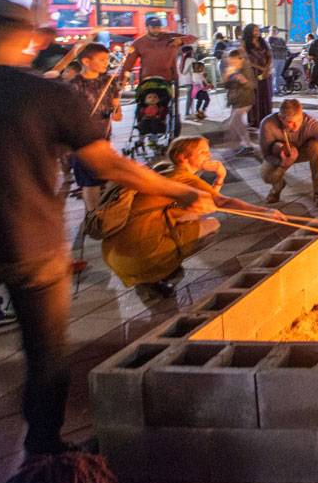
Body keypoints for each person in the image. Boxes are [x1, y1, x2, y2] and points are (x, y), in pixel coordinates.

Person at [0, 0, 213, 483]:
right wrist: (178, 189)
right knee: (47, 356)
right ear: (28, 39)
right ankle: (45, 456)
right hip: (36, 247)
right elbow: (109, 164)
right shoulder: (46, 94)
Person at [101, 135, 250, 296]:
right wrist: (221, 177)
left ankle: (157, 269)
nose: (209, 155)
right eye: (203, 152)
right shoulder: (181, 179)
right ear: (183, 157)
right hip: (136, 256)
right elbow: (215, 204)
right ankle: (161, 271)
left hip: (114, 253)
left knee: (192, 214)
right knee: (211, 225)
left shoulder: (164, 169)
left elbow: (204, 202)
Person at [68, 43, 123, 218]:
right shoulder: (75, 85)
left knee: (107, 180)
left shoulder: (109, 81)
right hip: (83, 142)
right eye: (102, 60)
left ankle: (103, 214)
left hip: (104, 139)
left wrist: (115, 112)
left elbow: (117, 113)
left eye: (107, 59)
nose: (106, 63)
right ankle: (93, 217)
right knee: (90, 183)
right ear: (86, 61)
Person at [120, 16, 197, 116]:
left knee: (169, 105)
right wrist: (122, 82)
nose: (156, 30)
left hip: (169, 78)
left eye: (158, 27)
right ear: (147, 27)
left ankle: (171, 121)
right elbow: (128, 65)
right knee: (146, 105)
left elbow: (193, 38)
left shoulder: (170, 37)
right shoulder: (138, 43)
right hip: (148, 81)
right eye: (153, 27)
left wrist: (181, 41)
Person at [222, 48, 257, 157]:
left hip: (245, 100)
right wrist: (226, 78)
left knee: (234, 122)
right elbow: (226, 86)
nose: (232, 63)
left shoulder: (246, 69)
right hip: (235, 100)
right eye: (231, 60)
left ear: (240, 59)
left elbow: (253, 85)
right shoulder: (231, 69)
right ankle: (247, 145)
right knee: (237, 123)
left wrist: (244, 81)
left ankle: (247, 145)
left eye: (234, 60)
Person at [240, 23, 274, 127]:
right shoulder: (244, 44)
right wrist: (260, 68)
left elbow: (269, 55)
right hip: (252, 72)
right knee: (254, 96)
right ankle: (254, 119)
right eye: (255, 30)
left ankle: (267, 117)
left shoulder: (262, 42)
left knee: (266, 94)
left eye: (258, 30)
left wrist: (267, 68)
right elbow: (243, 60)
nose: (257, 32)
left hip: (265, 72)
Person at [266, 26, 290, 95]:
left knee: (278, 74)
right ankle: (273, 90)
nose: (274, 32)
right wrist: (280, 47)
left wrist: (282, 50)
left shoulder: (280, 39)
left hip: (282, 58)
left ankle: (278, 89)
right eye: (273, 30)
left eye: (275, 30)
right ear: (269, 31)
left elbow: (285, 47)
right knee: (273, 74)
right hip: (274, 58)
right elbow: (272, 47)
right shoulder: (268, 39)